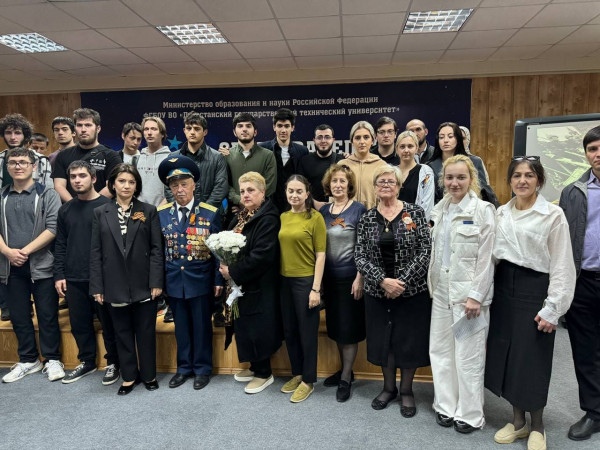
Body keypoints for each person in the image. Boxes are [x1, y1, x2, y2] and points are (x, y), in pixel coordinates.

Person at [485, 156, 575, 450]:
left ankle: (538, 426)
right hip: (504, 288)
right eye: (517, 176)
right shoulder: (501, 212)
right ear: (510, 181)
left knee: (532, 358)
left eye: (529, 175)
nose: (522, 180)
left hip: (535, 289)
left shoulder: (552, 214)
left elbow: (562, 264)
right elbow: (491, 257)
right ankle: (517, 422)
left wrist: (553, 308)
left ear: (539, 180)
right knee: (508, 355)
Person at [355, 165, 431, 418]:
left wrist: (402, 282)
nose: (386, 185)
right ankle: (388, 388)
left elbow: (425, 250)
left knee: (408, 341)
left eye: (391, 181)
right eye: (381, 182)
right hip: (378, 293)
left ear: (399, 186)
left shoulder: (415, 212)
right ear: (375, 187)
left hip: (411, 292)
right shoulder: (367, 218)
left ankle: (407, 390)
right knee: (384, 341)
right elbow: (360, 255)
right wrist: (382, 281)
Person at [428, 155, 496, 433]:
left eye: (461, 177)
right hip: (441, 291)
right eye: (449, 177)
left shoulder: (483, 210)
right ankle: (445, 405)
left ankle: (470, 414)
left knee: (468, 356)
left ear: (471, 179)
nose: (454, 183)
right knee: (440, 351)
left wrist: (476, 296)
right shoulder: (439, 210)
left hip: (468, 296)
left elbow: (487, 258)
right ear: (443, 180)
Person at [89, 163, 164, 395]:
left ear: (137, 186)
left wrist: (156, 281)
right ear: (112, 184)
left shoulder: (148, 210)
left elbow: (156, 249)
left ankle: (149, 375)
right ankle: (129, 377)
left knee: (145, 332)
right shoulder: (100, 212)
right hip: (114, 283)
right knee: (121, 333)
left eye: (131, 182)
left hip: (144, 283)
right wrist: (97, 286)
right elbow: (95, 252)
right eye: (121, 181)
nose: (126, 186)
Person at [157, 155, 223, 390]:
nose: (179, 189)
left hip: (201, 279)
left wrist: (218, 279)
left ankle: (203, 369)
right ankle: (184, 368)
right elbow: (159, 251)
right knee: (182, 328)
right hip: (174, 280)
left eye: (184, 184)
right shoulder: (162, 214)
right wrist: (159, 281)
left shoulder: (210, 212)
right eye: (174, 185)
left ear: (194, 184)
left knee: (202, 326)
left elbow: (217, 250)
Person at [0, 148, 63, 383]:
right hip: (9, 266)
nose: (18, 166)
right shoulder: (1, 195)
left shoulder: (47, 193)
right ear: (7, 167)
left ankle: (52, 359)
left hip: (42, 266)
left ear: (34, 166)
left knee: (47, 315)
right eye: (13, 163)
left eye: (23, 162)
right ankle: (28, 360)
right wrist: (8, 252)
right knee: (19, 316)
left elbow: (53, 228)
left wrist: (24, 251)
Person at [54, 161, 120, 385]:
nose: (77, 180)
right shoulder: (65, 210)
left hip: (102, 278)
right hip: (74, 277)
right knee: (79, 324)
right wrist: (59, 275)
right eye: (73, 177)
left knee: (109, 324)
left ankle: (113, 362)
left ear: (93, 179)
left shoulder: (108, 206)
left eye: (82, 176)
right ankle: (87, 361)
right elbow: (60, 245)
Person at [219, 172, 282, 394]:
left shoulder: (269, 218)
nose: (245, 195)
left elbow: (262, 256)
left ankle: (264, 373)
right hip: (242, 284)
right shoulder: (242, 216)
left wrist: (232, 271)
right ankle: (255, 366)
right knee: (245, 326)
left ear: (263, 192)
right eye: (243, 191)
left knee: (259, 328)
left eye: (251, 190)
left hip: (260, 283)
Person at [559, 125, 600, 441]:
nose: (598, 155)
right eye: (592, 149)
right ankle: (594, 412)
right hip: (583, 282)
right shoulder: (573, 191)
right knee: (586, 352)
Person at [318, 164, 366, 402]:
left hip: (350, 279)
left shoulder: (359, 209)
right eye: (334, 181)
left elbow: (364, 245)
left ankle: (346, 377)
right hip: (330, 279)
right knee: (337, 328)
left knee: (349, 330)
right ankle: (345, 370)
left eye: (342, 181)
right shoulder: (324, 211)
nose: (338, 185)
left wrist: (360, 277)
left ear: (349, 185)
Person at [278, 175, 326, 403]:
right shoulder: (283, 217)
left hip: (306, 282)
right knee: (290, 331)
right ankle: (297, 373)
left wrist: (315, 289)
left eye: (299, 191)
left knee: (307, 333)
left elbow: (321, 255)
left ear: (307, 193)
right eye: (291, 191)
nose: (294, 195)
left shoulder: (315, 218)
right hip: (284, 281)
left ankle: (308, 380)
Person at [52, 108, 121, 202]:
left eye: (88, 125)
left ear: (98, 129)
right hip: (71, 208)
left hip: (102, 208)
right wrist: (74, 206)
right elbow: (59, 186)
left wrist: (91, 205)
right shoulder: (63, 155)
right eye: (79, 125)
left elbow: (112, 185)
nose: (83, 130)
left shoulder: (111, 155)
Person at [164, 112, 228, 209]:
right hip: (181, 213)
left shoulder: (217, 157)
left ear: (205, 132)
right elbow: (168, 187)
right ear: (184, 130)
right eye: (189, 128)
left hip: (210, 214)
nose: (192, 132)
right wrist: (182, 208)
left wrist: (203, 210)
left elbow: (220, 188)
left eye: (197, 129)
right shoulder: (173, 157)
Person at [226, 113, 276, 215]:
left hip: (261, 213)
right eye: (240, 126)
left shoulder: (268, 155)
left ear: (255, 132)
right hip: (234, 213)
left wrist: (249, 205)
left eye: (248, 126)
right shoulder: (226, 156)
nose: (244, 129)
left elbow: (270, 186)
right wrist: (239, 200)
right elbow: (225, 185)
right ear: (234, 132)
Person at [259, 108, 308, 212]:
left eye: (287, 126)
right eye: (280, 126)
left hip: (294, 205)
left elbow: (305, 180)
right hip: (269, 206)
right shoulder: (263, 148)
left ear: (292, 128)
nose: (283, 130)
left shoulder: (302, 151)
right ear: (274, 127)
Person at [428, 122, 490, 204]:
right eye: (441, 137)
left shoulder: (474, 161)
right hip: (440, 208)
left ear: (458, 138)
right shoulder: (430, 166)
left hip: (471, 206)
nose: (445, 140)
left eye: (450, 137)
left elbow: (483, 191)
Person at [342, 121, 388, 209]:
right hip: (346, 216)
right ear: (352, 142)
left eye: (366, 137)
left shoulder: (382, 166)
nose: (362, 141)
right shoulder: (342, 165)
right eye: (357, 138)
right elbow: (334, 195)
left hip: (374, 215)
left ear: (372, 141)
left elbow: (388, 196)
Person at [297, 124, 343, 210]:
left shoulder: (342, 161)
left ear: (333, 140)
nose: (323, 140)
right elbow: (300, 186)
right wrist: (314, 203)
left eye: (327, 137)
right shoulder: (305, 161)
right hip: (311, 210)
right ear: (314, 140)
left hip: (338, 209)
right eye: (319, 137)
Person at [0, 113, 53, 189]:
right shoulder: (1, 159)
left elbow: (48, 190)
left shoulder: (41, 160)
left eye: (17, 133)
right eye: (8, 133)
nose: (12, 137)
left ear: (25, 135)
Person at [396, 130, 435, 221]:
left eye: (410, 146)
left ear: (416, 148)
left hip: (416, 224)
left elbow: (427, 205)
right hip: (392, 224)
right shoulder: (390, 172)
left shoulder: (426, 173)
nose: (406, 150)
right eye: (402, 146)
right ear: (397, 149)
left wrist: (416, 225)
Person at [136, 117, 171, 207]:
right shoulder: (136, 158)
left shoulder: (170, 158)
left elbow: (172, 190)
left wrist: (158, 211)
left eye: (154, 129)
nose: (149, 133)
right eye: (146, 129)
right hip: (139, 211)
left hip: (162, 210)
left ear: (162, 134)